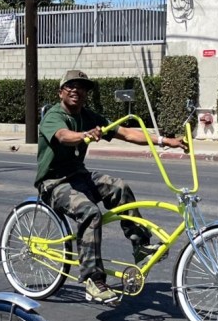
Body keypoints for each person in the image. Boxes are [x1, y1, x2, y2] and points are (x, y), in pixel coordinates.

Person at [35, 70, 188, 304]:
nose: (76, 90)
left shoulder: (88, 115)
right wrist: (85, 134)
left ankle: (140, 245)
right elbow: (64, 136)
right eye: (71, 86)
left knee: (119, 187)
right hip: (54, 183)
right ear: (61, 92)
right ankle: (92, 281)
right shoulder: (54, 116)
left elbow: (125, 132)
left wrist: (166, 142)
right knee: (90, 212)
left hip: (78, 176)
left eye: (82, 87)